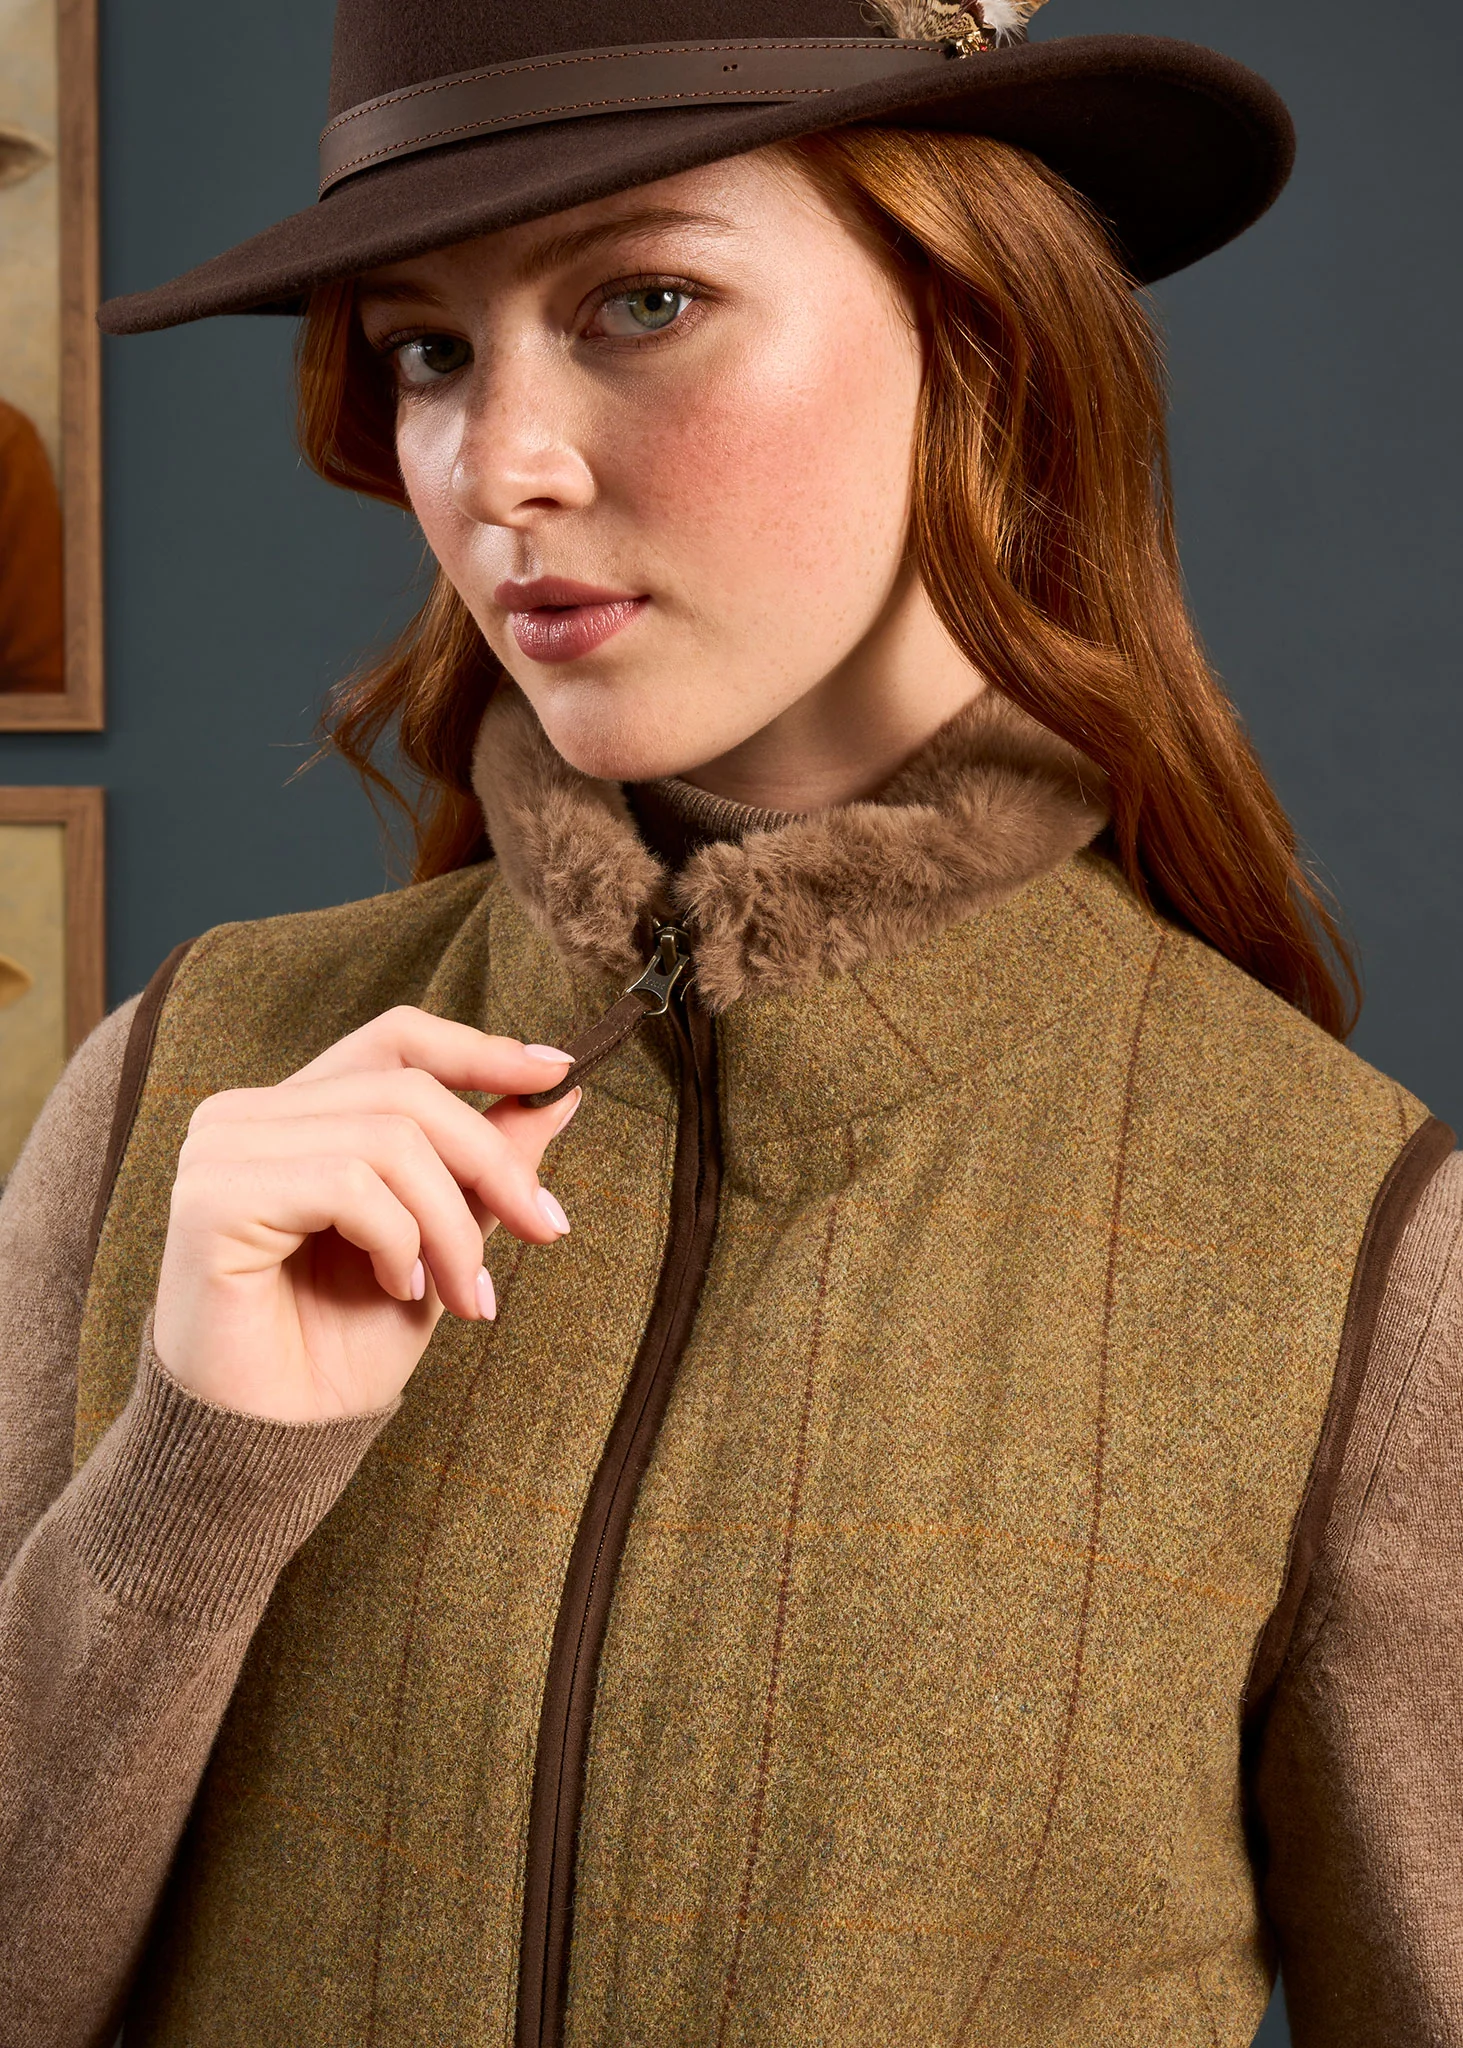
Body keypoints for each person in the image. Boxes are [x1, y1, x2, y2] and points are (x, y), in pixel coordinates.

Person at [0, 3, 1457, 2044]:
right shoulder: (191, 1073)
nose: (496, 466)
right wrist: (196, 1483)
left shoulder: (1345, 1241)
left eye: (644, 302)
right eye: (427, 350)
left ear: (978, 338)